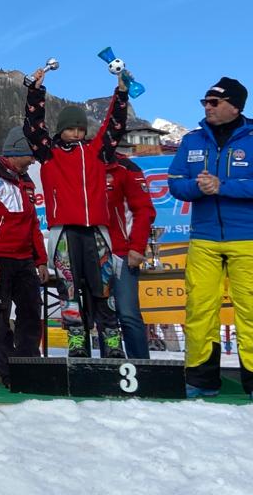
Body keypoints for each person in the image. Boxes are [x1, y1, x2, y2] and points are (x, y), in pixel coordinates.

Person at [23, 66, 129, 358]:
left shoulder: (97, 152)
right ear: (61, 130)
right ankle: (77, 341)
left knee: (103, 290)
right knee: (68, 291)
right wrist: (35, 91)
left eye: (81, 129)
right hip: (65, 233)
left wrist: (121, 93)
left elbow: (115, 126)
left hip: (97, 232)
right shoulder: (49, 153)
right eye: (71, 129)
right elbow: (33, 127)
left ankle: (111, 342)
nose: (77, 133)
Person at [168, 77, 253, 399]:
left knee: (250, 311)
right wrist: (197, 187)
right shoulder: (192, 140)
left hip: (247, 238)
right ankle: (201, 380)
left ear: (235, 106)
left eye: (214, 102)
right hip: (203, 238)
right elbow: (175, 182)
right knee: (199, 309)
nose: (207, 107)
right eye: (205, 102)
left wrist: (223, 187)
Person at [0, 126, 49, 387]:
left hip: (24, 260)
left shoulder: (27, 183)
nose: (33, 161)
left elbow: (33, 224)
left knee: (31, 313)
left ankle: (29, 367)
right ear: (16, 152)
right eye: (30, 156)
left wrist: (41, 260)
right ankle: (9, 376)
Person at [106, 153, 156, 358]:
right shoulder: (82, 162)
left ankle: (141, 367)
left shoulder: (127, 167)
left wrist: (137, 247)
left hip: (122, 252)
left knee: (127, 313)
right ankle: (106, 365)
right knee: (104, 316)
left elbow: (144, 210)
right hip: (92, 251)